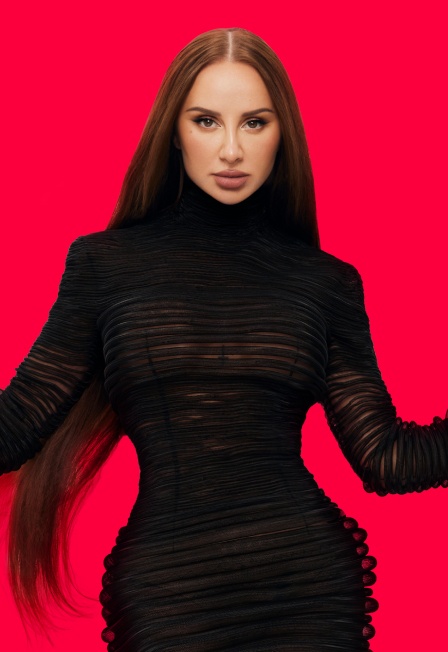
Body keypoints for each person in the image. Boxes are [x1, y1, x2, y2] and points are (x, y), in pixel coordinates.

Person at [0, 26, 447, 651]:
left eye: (255, 123)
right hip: (168, 595)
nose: (232, 149)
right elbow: (15, 427)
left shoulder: (326, 282)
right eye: (207, 121)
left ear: (283, 133)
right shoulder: (104, 266)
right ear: (173, 130)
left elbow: (385, 458)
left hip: (308, 588)